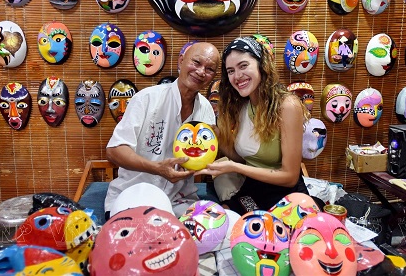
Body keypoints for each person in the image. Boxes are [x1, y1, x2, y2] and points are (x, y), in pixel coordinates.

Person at [104, 42, 220, 219]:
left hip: (179, 201)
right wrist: (156, 168)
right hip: (134, 196)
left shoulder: (206, 109)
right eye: (196, 62)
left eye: (210, 69)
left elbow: (203, 156)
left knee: (216, 228)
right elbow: (114, 150)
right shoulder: (147, 98)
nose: (201, 71)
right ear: (181, 62)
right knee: (153, 234)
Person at [198, 37, 309, 215]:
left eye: (243, 66)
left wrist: (234, 168)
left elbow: (290, 177)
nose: (237, 76)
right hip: (253, 190)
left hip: (285, 197)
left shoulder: (288, 106)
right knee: (225, 220)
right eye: (231, 71)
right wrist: (217, 137)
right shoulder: (243, 105)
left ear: (261, 65)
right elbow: (246, 160)